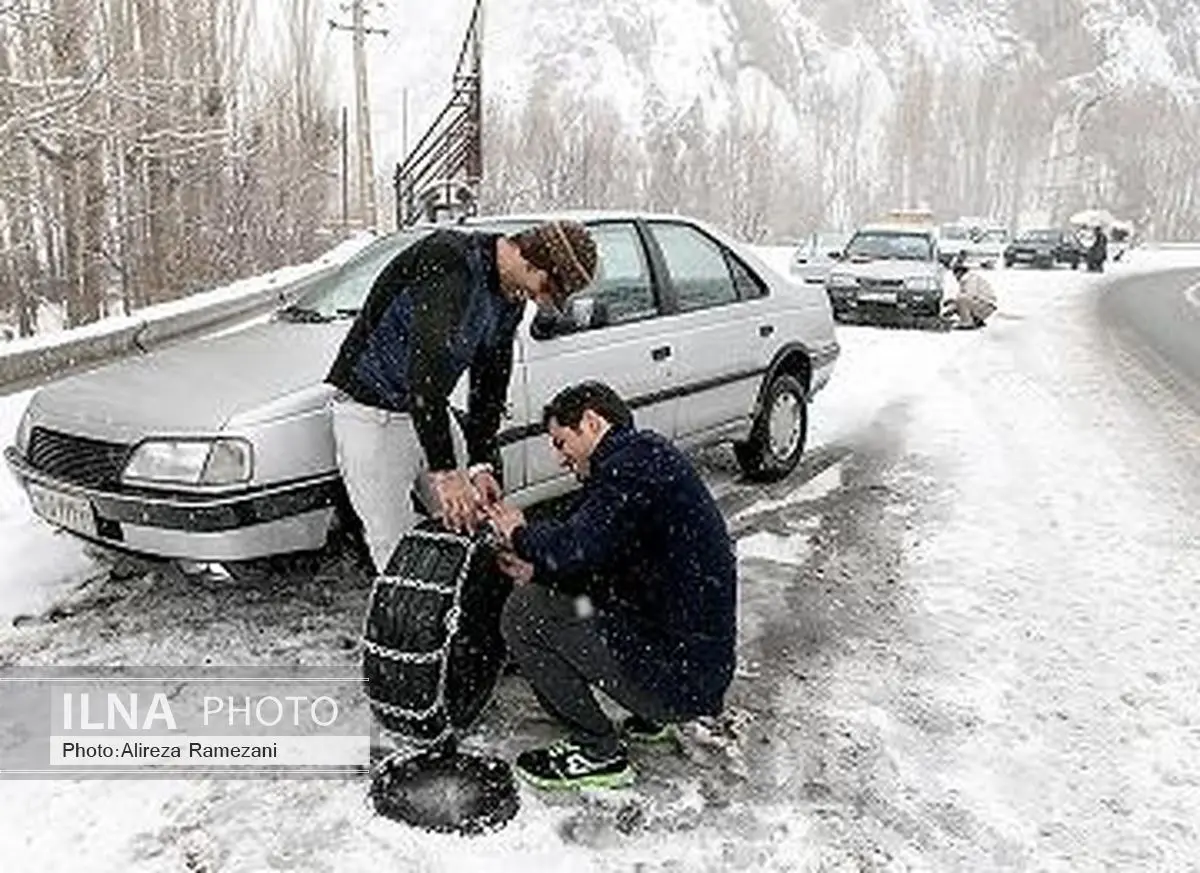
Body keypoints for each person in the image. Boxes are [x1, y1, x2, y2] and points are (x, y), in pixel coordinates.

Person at [484, 381, 738, 789]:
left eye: (561, 441)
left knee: (525, 612)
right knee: (559, 595)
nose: (559, 457)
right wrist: (539, 568)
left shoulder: (629, 468)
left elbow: (577, 548)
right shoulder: (642, 459)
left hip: (680, 679)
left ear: (591, 421)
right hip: (692, 670)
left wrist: (518, 533)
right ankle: (651, 716)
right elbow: (603, 558)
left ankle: (596, 751)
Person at [325, 221, 598, 573]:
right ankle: (404, 623)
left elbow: (490, 381)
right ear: (531, 259)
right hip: (371, 413)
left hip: (427, 412)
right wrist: (446, 473)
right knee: (395, 549)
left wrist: (480, 462)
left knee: (469, 523)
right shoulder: (450, 261)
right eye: (548, 287)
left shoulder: (510, 295)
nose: (543, 299)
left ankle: (456, 619)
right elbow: (423, 377)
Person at [950, 252, 997, 329]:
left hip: (986, 306)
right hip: (985, 304)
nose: (955, 276)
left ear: (960, 272)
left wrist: (953, 307)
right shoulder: (967, 279)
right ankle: (976, 320)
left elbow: (969, 296)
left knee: (961, 299)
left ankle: (967, 322)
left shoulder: (969, 279)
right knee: (959, 301)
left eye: (955, 273)